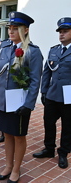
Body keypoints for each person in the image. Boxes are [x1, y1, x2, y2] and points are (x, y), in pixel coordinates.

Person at [0, 11, 43, 183]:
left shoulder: (33, 51)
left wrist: (28, 104)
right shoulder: (4, 47)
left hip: (20, 102)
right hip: (4, 100)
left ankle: (16, 169)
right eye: (9, 29)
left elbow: (35, 80)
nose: (11, 32)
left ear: (25, 30)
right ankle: (8, 165)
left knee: (19, 135)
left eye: (15, 29)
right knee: (7, 134)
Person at [33, 17, 71, 169]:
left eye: (65, 31)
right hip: (52, 95)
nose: (61, 34)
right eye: (60, 32)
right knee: (48, 123)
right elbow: (47, 72)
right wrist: (44, 91)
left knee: (68, 126)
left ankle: (63, 152)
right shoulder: (53, 50)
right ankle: (49, 149)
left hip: (69, 97)